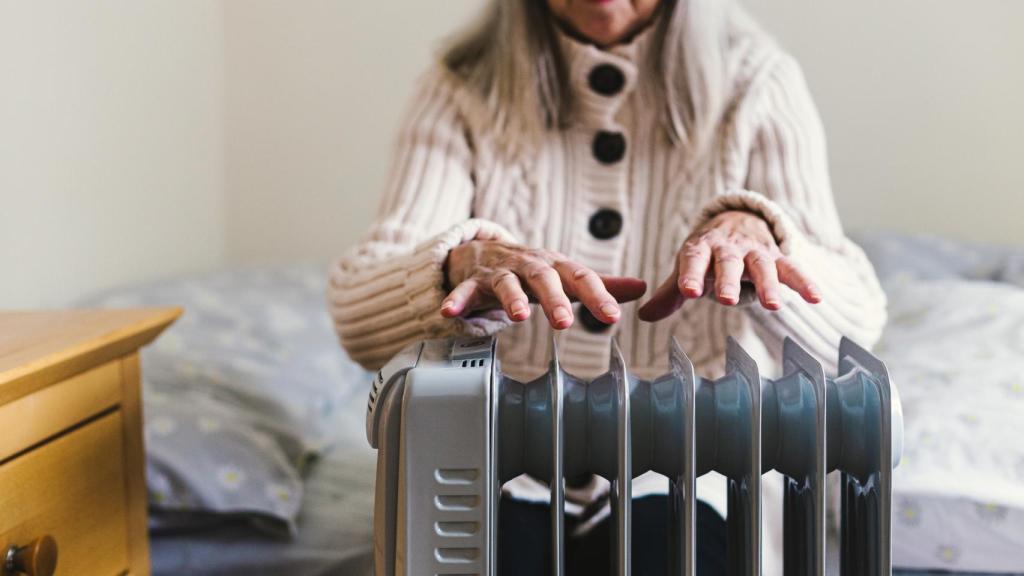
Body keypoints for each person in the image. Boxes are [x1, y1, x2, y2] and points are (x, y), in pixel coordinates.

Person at [328, 0, 886, 572]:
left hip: (699, 477)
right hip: (496, 469)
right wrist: (454, 266)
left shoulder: (759, 82)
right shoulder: (460, 86)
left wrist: (764, 235)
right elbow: (356, 318)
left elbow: (854, 329)